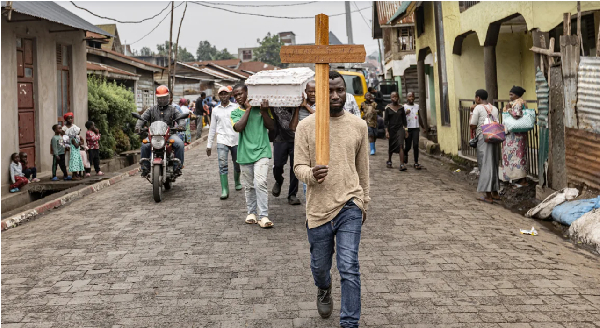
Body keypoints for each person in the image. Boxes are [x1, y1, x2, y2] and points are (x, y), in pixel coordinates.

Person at [294, 71, 370, 328]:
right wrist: (312, 175)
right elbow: (298, 167)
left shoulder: (358, 125)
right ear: (321, 93)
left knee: (349, 266)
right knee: (320, 267)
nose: (336, 95)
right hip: (318, 209)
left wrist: (364, 203)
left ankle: (349, 323)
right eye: (330, 91)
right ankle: (324, 288)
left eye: (340, 90)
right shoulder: (306, 126)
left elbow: (363, 169)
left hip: (350, 203)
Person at [231, 84, 275, 229]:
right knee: (249, 186)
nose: (238, 97)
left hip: (262, 151)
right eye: (236, 95)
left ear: (248, 93)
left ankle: (263, 216)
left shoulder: (261, 108)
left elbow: (272, 127)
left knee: (260, 182)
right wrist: (248, 109)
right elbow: (239, 127)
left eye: (240, 94)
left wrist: (263, 112)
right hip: (245, 154)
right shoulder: (235, 113)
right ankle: (251, 213)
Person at [135, 85, 186, 178]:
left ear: (168, 97)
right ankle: (145, 168)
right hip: (154, 136)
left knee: (180, 144)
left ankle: (177, 167)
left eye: (164, 98)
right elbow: (142, 118)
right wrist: (138, 126)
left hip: (169, 135)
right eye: (160, 98)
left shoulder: (172, 109)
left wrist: (181, 125)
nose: (162, 100)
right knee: (145, 144)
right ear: (157, 98)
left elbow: (180, 118)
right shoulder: (151, 109)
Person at [206, 86, 241, 200]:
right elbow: (212, 128)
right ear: (218, 96)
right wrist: (209, 145)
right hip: (222, 140)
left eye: (226, 94)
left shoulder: (236, 107)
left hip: (235, 139)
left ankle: (237, 181)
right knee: (222, 164)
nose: (224, 96)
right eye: (221, 94)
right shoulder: (216, 110)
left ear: (229, 95)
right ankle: (225, 189)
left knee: (237, 163)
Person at [470, 89, 500, 204]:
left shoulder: (478, 108)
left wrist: (472, 114)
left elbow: (472, 124)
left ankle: (488, 196)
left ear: (478, 98)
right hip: (495, 136)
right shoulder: (494, 108)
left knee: (485, 164)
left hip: (483, 138)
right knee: (493, 164)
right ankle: (495, 193)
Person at [272, 104, 301, 206]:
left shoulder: (298, 101)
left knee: (295, 167)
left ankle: (292, 194)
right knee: (278, 165)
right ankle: (279, 180)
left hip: (296, 139)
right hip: (279, 138)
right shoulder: (274, 101)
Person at [502, 86, 528, 186]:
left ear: (517, 95)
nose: (510, 96)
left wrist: (508, 109)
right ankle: (519, 178)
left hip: (516, 136)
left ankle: (522, 179)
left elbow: (516, 115)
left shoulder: (518, 102)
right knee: (518, 156)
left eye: (512, 94)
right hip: (517, 135)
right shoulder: (519, 102)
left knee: (518, 157)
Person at [294, 81, 316, 196]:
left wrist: (306, 106)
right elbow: (293, 127)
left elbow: (320, 120)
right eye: (310, 91)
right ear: (306, 92)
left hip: (317, 145)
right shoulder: (300, 106)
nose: (313, 94)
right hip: (303, 146)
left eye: (315, 91)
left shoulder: (322, 105)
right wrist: (298, 107)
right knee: (305, 179)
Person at [384, 92, 408, 170]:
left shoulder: (401, 108)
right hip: (391, 129)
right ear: (390, 98)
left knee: (401, 145)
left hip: (400, 129)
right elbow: (386, 121)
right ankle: (389, 160)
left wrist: (406, 130)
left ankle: (402, 164)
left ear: (398, 97)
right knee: (391, 145)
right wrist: (386, 131)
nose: (395, 98)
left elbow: (404, 120)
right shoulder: (388, 108)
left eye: (396, 96)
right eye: (393, 97)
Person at [403, 92, 422, 170]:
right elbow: (401, 118)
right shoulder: (404, 107)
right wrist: (405, 113)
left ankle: (416, 162)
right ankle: (405, 152)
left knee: (416, 145)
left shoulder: (417, 106)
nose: (411, 98)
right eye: (409, 96)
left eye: (412, 96)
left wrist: (423, 127)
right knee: (408, 146)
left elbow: (419, 117)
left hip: (416, 128)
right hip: (407, 128)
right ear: (407, 98)